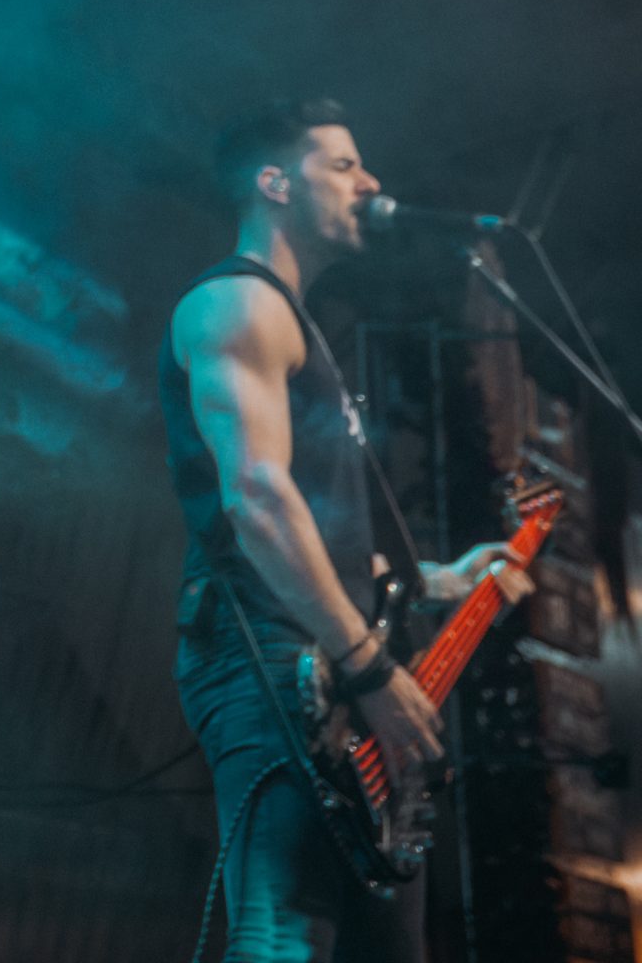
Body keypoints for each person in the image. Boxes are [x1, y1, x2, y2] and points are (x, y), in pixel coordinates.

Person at [161, 99, 527, 963]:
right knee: (283, 930)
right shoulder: (236, 304)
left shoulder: (298, 326)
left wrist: (445, 581)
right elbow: (257, 498)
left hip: (329, 656)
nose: (371, 182)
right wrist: (367, 666)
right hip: (275, 655)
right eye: (343, 165)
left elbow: (329, 534)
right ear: (274, 183)